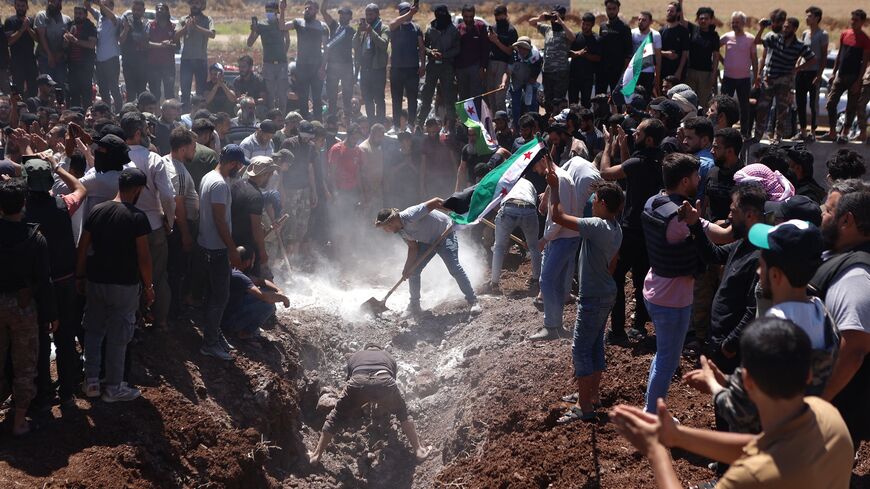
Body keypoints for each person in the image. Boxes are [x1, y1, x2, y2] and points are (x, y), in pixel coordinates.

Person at [612, 317, 854, 489]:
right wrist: (677, 436)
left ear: (747, 381)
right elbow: (760, 447)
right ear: (809, 374)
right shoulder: (826, 415)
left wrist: (655, 451)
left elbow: (760, 459)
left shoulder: (753, 477)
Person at [549, 176, 624, 422]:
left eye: (594, 200)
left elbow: (559, 217)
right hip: (606, 293)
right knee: (595, 346)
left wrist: (554, 189)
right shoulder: (615, 227)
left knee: (581, 349)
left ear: (603, 203)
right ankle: (591, 396)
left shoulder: (597, 225)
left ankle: (585, 407)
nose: (591, 203)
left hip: (593, 297)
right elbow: (613, 264)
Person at [77, 167, 152, 402]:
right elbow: (144, 257)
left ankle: (91, 382)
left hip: (96, 279)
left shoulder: (97, 211)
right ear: (138, 190)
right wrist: (149, 286)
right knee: (119, 336)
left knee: (94, 331)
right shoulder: (137, 217)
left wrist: (79, 276)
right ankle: (114, 387)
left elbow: (83, 245)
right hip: (124, 284)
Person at [640, 152, 703, 412]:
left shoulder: (653, 202)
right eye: (697, 175)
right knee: (668, 360)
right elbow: (715, 239)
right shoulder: (681, 220)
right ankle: (653, 416)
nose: (700, 178)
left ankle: (650, 407)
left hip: (654, 290)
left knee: (663, 353)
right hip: (673, 300)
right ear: (686, 181)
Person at [22, 157, 85, 412]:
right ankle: (67, 391)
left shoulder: (18, 211)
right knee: (66, 336)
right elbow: (81, 189)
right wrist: (57, 166)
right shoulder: (63, 204)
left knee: (37, 338)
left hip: (32, 287)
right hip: (64, 281)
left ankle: (42, 392)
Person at [308, 345, 432, 464]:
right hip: (384, 381)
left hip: (358, 382)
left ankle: (316, 456)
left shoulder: (356, 356)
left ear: (366, 349)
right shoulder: (388, 356)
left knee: (336, 416)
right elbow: (391, 381)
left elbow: (350, 382)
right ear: (379, 349)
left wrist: (358, 403)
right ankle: (419, 451)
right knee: (403, 412)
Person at [599, 118, 665, 342]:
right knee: (641, 279)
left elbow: (606, 172)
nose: (633, 136)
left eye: (637, 134)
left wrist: (609, 145)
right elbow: (630, 171)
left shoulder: (638, 163)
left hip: (631, 230)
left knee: (616, 276)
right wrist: (625, 147)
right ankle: (639, 326)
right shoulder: (659, 160)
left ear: (648, 139)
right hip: (651, 230)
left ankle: (617, 330)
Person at [0, 180, 57, 435]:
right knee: (25, 364)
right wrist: (50, 314)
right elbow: (44, 281)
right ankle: (19, 421)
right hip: (24, 306)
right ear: (23, 204)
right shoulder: (35, 238)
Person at [816, 181, 870, 444]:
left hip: (837, 412)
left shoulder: (855, 275)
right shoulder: (841, 258)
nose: (822, 215)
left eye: (828, 210)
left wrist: (815, 403)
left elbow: (854, 349)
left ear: (847, 220)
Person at [375, 199, 480, 316]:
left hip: (445, 233)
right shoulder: (401, 231)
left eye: (385, 227)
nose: (385, 231)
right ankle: (414, 305)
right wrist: (407, 269)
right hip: (427, 241)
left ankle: (473, 301)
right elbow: (413, 247)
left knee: (454, 268)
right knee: (413, 271)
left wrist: (454, 211)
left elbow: (436, 201)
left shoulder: (411, 214)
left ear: (392, 221)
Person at [122, 112, 176, 332]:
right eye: (145, 129)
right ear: (138, 133)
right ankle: (160, 321)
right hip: (153, 227)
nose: (148, 134)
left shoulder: (118, 158)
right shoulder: (154, 159)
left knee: (131, 278)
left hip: (126, 226)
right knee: (158, 277)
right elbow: (168, 196)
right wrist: (169, 221)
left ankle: (134, 323)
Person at [197, 145, 247, 361]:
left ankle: (215, 334)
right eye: (239, 165)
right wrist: (232, 249)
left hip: (207, 244)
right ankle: (209, 343)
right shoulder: (218, 184)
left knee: (213, 296)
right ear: (234, 163)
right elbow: (219, 219)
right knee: (220, 297)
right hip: (216, 248)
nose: (239, 169)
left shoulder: (209, 176)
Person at [530, 150, 581, 341]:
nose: (535, 171)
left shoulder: (561, 179)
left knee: (547, 280)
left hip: (563, 237)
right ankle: (555, 324)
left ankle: (552, 326)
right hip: (561, 237)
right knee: (556, 281)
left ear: (543, 159)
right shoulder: (556, 179)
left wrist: (545, 239)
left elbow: (561, 217)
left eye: (535, 166)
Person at [486, 156, 547, 295]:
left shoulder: (505, 182)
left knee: (499, 247)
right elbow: (531, 204)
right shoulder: (529, 183)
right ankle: (536, 280)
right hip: (529, 210)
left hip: (509, 208)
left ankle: (494, 283)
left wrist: (501, 219)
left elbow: (496, 204)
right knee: (534, 247)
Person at [754, 16, 815, 142]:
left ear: (795, 29)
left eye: (788, 27)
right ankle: (757, 136)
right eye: (784, 26)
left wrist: (797, 69)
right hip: (769, 79)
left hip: (785, 82)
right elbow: (757, 41)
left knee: (782, 111)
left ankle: (777, 137)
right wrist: (761, 28)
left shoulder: (799, 45)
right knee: (762, 108)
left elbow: (812, 59)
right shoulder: (774, 38)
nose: (785, 29)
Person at [165, 127, 199, 317]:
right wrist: (186, 235)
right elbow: (179, 206)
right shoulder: (178, 171)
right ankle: (175, 310)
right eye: (193, 146)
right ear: (183, 148)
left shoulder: (166, 161)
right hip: (180, 227)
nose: (195, 150)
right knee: (177, 270)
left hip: (174, 226)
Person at [823, 10, 870, 143]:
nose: (853, 21)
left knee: (851, 107)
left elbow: (865, 62)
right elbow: (840, 55)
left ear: (862, 22)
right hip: (841, 75)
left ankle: (845, 133)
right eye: (852, 19)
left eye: (856, 19)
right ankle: (832, 131)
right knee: (831, 103)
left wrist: (858, 81)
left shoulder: (865, 40)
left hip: (854, 77)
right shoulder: (845, 34)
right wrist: (834, 72)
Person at [223, 246, 288, 340]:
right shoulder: (240, 277)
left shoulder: (232, 271)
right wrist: (283, 298)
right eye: (253, 259)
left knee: (265, 292)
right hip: (228, 322)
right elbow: (264, 297)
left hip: (222, 316)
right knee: (269, 306)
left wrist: (278, 290)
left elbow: (261, 281)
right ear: (247, 262)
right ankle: (245, 333)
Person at [416, 4, 459, 129]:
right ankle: (419, 124)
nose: (441, 18)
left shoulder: (453, 30)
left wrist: (444, 55)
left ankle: (451, 128)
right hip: (433, 66)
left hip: (447, 67)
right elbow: (424, 47)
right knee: (427, 97)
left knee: (449, 98)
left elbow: (457, 49)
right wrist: (431, 52)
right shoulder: (430, 29)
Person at [280, 121, 318, 259]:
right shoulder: (289, 143)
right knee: (290, 222)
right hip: (290, 189)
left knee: (303, 222)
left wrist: (313, 191)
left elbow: (310, 168)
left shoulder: (311, 146)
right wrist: (281, 190)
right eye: (305, 135)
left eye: (310, 136)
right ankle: (286, 258)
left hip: (305, 189)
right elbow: (281, 168)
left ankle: (296, 257)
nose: (307, 138)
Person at [530, 6, 574, 115]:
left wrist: (561, 22)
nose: (554, 19)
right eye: (553, 16)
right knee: (548, 99)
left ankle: (559, 120)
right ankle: (548, 119)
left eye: (557, 16)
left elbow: (572, 37)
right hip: (547, 72)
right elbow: (531, 22)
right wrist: (541, 18)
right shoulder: (547, 29)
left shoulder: (565, 31)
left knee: (559, 100)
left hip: (561, 72)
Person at [388, 2, 424, 133]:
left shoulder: (416, 28)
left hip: (412, 68)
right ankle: (396, 126)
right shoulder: (395, 26)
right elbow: (391, 25)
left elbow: (421, 48)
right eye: (405, 12)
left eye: (409, 11)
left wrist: (423, 65)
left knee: (412, 98)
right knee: (396, 98)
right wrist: (410, 13)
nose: (408, 14)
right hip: (396, 68)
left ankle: (410, 125)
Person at [793, 7, 827, 142]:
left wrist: (819, 75)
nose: (807, 19)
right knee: (800, 102)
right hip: (802, 72)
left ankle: (813, 131)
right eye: (806, 16)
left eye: (810, 16)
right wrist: (797, 65)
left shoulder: (822, 34)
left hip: (814, 72)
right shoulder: (805, 34)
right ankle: (802, 131)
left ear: (817, 18)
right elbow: (801, 52)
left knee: (813, 103)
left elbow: (824, 56)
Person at [720, 11, 756, 137]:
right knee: (724, 105)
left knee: (744, 106)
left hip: (744, 78)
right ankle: (724, 130)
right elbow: (714, 48)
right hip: (728, 78)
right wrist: (722, 61)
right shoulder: (727, 37)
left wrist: (756, 76)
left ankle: (745, 132)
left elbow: (754, 59)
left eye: (737, 22)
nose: (734, 24)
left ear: (743, 23)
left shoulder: (750, 39)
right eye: (733, 22)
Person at [249, 1, 289, 113]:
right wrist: (253, 31)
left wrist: (283, 53)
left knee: (282, 94)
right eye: (267, 11)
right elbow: (250, 43)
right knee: (270, 94)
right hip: (268, 63)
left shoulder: (281, 23)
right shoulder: (262, 25)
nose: (269, 13)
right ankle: (272, 116)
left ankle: (282, 116)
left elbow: (288, 40)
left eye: (271, 11)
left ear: (276, 11)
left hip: (281, 63)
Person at [353, 3, 389, 124]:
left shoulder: (384, 28)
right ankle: (371, 122)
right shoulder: (364, 29)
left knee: (379, 99)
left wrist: (371, 31)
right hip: (365, 69)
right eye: (367, 14)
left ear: (377, 14)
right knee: (367, 99)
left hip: (378, 70)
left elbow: (383, 44)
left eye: (371, 14)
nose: (368, 16)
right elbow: (354, 45)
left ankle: (380, 124)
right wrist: (359, 31)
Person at [176, 0, 215, 110]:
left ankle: (199, 114)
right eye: (192, 3)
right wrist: (186, 27)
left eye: (197, 3)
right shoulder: (183, 19)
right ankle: (184, 115)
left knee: (200, 92)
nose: (195, 5)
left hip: (200, 60)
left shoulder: (207, 19)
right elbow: (175, 37)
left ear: (202, 5)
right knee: (185, 91)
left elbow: (212, 34)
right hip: (186, 60)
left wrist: (196, 27)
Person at [63, 4, 97, 109]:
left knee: (87, 94)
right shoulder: (69, 25)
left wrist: (75, 41)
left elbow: (91, 45)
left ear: (86, 15)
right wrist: (66, 40)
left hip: (85, 66)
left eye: (80, 14)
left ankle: (88, 115)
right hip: (72, 65)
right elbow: (64, 46)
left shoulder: (90, 27)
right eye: (76, 13)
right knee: (74, 94)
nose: (77, 16)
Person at [685, 7, 720, 109]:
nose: (703, 20)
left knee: (703, 103)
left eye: (706, 18)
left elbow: (716, 56)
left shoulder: (714, 35)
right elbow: (682, 20)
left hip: (706, 74)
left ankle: (702, 123)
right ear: (697, 19)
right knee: (688, 101)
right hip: (690, 72)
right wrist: (681, 3)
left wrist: (713, 74)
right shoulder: (693, 29)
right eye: (701, 18)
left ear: (711, 20)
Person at [486, 5, 517, 114]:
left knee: (499, 98)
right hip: (491, 63)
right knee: (491, 98)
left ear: (506, 15)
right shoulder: (493, 28)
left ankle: (502, 122)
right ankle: (494, 123)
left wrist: (497, 41)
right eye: (497, 16)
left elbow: (510, 51)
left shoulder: (511, 30)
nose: (499, 19)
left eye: (501, 16)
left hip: (503, 65)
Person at [5, 0, 39, 98]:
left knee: (33, 88)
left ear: (27, 7)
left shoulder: (31, 20)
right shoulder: (10, 21)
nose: (20, 8)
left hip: (30, 60)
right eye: (18, 6)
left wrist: (28, 28)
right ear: (15, 6)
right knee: (18, 89)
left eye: (23, 6)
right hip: (16, 61)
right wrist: (22, 29)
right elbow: (9, 41)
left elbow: (37, 39)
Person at [597, 0, 632, 95]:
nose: (611, 11)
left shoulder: (624, 28)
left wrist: (624, 73)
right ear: (606, 9)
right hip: (603, 70)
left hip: (617, 71)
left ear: (618, 10)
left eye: (614, 9)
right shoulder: (602, 26)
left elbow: (628, 53)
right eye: (609, 9)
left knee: (617, 101)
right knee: (600, 98)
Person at [455, 5, 489, 102]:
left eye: (471, 17)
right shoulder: (458, 29)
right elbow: (455, 49)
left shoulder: (480, 27)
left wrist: (483, 67)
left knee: (476, 96)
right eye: (466, 17)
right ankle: (465, 117)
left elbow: (485, 48)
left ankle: (476, 117)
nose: (468, 19)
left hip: (476, 68)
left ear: (474, 15)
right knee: (463, 96)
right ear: (462, 15)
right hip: (461, 68)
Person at [34, 0, 70, 86]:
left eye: (56, 1)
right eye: (51, 1)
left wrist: (60, 54)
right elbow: (42, 37)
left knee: (60, 86)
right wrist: (50, 55)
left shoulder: (67, 19)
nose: (53, 3)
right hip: (45, 58)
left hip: (60, 60)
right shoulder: (41, 16)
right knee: (46, 86)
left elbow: (67, 40)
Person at [508, 36, 542, 130]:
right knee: (515, 105)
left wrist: (533, 77)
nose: (521, 50)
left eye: (524, 48)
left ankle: (534, 126)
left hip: (530, 79)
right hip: (517, 79)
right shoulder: (514, 55)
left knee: (532, 103)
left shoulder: (536, 55)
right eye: (520, 47)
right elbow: (509, 70)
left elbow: (538, 67)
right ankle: (517, 127)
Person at [569, 13, 600, 109]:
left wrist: (586, 55)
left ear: (592, 25)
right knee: (572, 103)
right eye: (583, 24)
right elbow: (569, 53)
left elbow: (598, 58)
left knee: (586, 103)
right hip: (573, 76)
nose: (585, 27)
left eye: (587, 25)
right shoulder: (576, 37)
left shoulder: (596, 39)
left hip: (587, 77)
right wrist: (578, 53)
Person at [147, 3, 177, 102]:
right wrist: (160, 45)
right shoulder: (150, 25)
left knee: (169, 92)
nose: (159, 11)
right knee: (155, 92)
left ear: (167, 12)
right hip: (153, 64)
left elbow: (177, 45)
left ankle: (171, 113)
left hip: (168, 65)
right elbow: (146, 43)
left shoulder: (173, 27)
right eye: (157, 9)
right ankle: (155, 114)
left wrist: (169, 44)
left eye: (162, 9)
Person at [119, 0, 148, 102]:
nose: (136, 12)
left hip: (143, 64)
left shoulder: (145, 23)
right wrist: (126, 29)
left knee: (142, 92)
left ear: (143, 11)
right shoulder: (127, 21)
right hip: (129, 64)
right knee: (130, 92)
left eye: (139, 10)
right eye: (134, 10)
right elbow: (120, 41)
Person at [631, 11, 662, 97]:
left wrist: (657, 77)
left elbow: (658, 57)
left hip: (648, 72)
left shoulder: (655, 35)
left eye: (644, 20)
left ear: (650, 22)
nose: (641, 22)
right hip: (634, 72)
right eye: (639, 19)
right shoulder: (632, 33)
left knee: (646, 98)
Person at [359, 123, 385, 210]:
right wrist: (366, 192)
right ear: (372, 134)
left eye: (382, 136)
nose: (381, 139)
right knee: (367, 219)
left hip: (378, 190)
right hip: (368, 191)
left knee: (378, 218)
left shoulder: (378, 146)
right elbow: (362, 173)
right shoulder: (364, 148)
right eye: (379, 136)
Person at [660, 2, 688, 82]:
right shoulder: (661, 31)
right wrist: (665, 53)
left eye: (672, 11)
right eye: (668, 11)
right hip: (663, 71)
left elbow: (685, 53)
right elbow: (656, 51)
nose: (669, 13)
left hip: (677, 72)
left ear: (678, 13)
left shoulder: (683, 32)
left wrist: (679, 72)